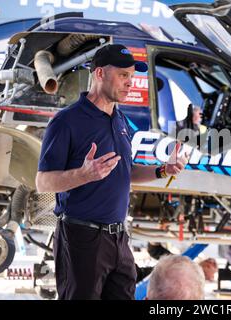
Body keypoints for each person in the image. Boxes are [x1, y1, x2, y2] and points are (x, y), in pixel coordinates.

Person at [35, 44, 188, 300]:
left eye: (132, 76)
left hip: (118, 237)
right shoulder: (66, 121)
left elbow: (124, 172)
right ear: (99, 74)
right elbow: (43, 183)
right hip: (82, 238)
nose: (130, 83)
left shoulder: (119, 119)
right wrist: (83, 174)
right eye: (123, 75)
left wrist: (163, 170)